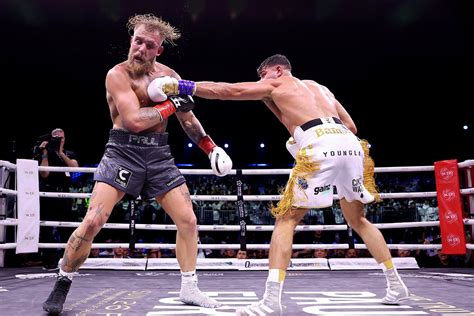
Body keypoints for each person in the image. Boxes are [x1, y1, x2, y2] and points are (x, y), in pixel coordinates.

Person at [152, 54, 411, 315]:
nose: (260, 81)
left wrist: (181, 86)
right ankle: (396, 285)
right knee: (359, 220)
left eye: (262, 75)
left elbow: (229, 90)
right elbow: (352, 127)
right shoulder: (320, 88)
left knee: (286, 220)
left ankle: (271, 301)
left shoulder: (278, 84)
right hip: (350, 146)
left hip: (319, 144)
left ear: (277, 70)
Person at [42, 14, 232, 314]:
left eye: (149, 45)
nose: (140, 49)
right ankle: (63, 279)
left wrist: (210, 147)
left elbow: (187, 119)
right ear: (131, 40)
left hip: (158, 155)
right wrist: (171, 104)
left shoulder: (168, 75)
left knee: (189, 220)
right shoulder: (117, 75)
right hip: (122, 151)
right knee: (93, 221)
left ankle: (189, 288)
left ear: (159, 50)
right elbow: (133, 121)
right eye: (137, 41)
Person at [36, 128, 79, 270]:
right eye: (56, 137)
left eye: (61, 137)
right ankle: (49, 261)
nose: (58, 139)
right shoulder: (45, 153)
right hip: (48, 194)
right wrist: (45, 154)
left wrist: (61, 153)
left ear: (64, 139)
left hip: (65, 196)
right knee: (47, 228)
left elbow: (75, 168)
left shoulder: (68, 153)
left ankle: (68, 259)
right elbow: (44, 173)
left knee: (67, 228)